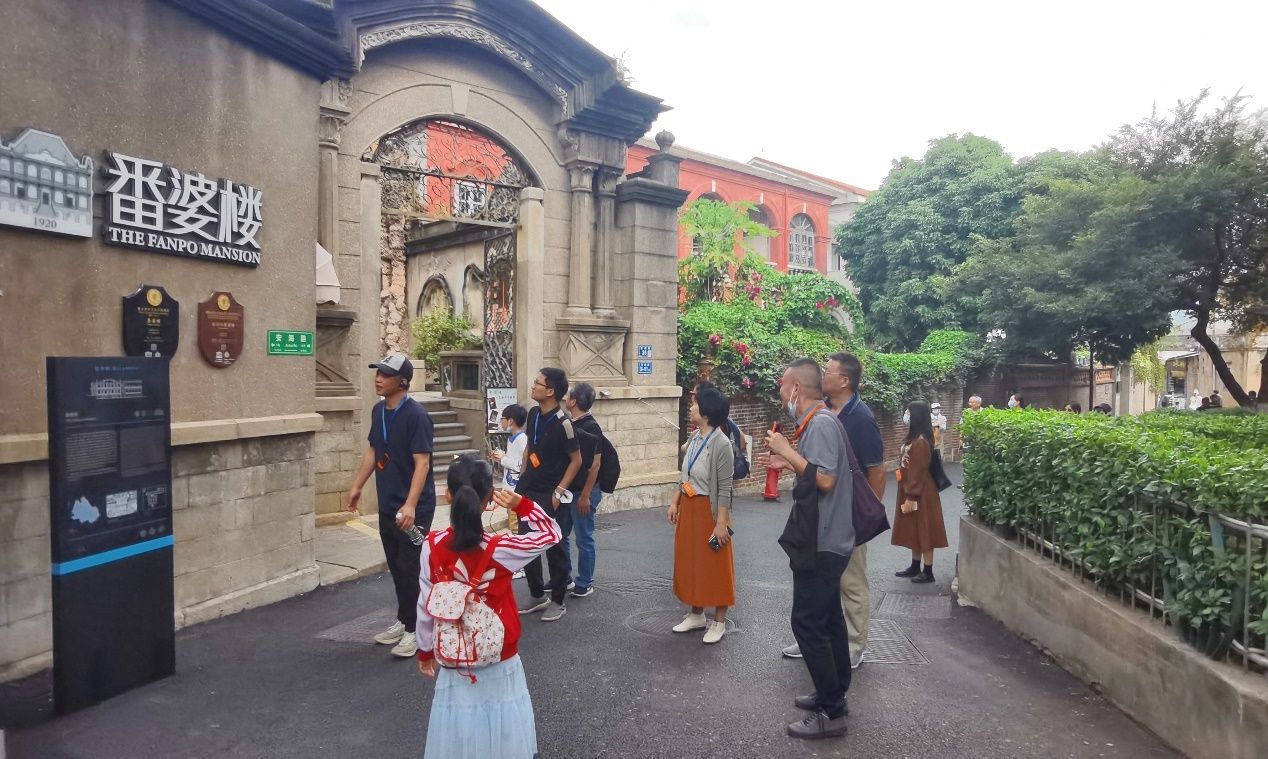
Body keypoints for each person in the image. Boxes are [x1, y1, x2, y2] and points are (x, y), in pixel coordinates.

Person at [415, 454, 562, 759]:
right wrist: (522, 505)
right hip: (498, 655)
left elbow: (425, 604)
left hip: (455, 655)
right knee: (503, 723)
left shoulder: (431, 545)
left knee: (460, 728)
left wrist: (425, 650)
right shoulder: (503, 548)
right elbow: (552, 534)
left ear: (448, 496)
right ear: (488, 500)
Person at [765, 358, 854, 740]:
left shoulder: (819, 423)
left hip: (823, 541)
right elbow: (816, 470)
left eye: (783, 386)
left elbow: (827, 480)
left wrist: (786, 451)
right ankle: (833, 694)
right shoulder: (822, 421)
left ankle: (831, 712)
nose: (780, 392)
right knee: (829, 619)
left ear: (796, 389)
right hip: (829, 539)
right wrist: (789, 463)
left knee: (806, 622)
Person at [781, 353, 884, 671]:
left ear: (845, 381)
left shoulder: (860, 418)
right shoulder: (823, 412)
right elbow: (816, 465)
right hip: (821, 519)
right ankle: (815, 640)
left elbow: (875, 471)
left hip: (846, 517)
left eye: (828, 372)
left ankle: (854, 644)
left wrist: (862, 518)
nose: (823, 375)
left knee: (851, 583)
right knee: (823, 584)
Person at [345, 355, 435, 658]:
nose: (378, 378)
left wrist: (410, 505)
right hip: (388, 503)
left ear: (403, 381)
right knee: (396, 566)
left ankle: (416, 630)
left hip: (414, 508)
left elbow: (422, 464)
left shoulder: (416, 416)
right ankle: (405, 619)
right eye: (378, 372)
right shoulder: (378, 411)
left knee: (410, 568)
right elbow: (374, 451)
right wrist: (357, 486)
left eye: (385, 374)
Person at [669, 385, 736, 644]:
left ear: (707, 411)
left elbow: (725, 489)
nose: (691, 406)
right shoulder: (695, 437)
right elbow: (685, 475)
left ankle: (718, 622)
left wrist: (721, 523)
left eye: (696, 403)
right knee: (691, 562)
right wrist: (675, 501)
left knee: (716, 566)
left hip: (711, 511)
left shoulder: (721, 444)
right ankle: (696, 614)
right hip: (690, 508)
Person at [515, 368, 582, 622]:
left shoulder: (564, 423)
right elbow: (529, 447)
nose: (533, 386)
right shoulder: (533, 414)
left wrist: (559, 491)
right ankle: (536, 595)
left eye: (538, 383)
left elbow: (576, 460)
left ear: (551, 391)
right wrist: (522, 477)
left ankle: (557, 600)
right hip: (528, 490)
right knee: (526, 544)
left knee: (555, 548)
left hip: (551, 494)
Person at [892, 401, 948, 584]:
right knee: (914, 527)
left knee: (925, 527)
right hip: (911, 488)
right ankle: (915, 565)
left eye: (908, 412)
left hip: (921, 491)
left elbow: (918, 471)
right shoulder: (915, 438)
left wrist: (911, 495)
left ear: (916, 415)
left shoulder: (921, 441)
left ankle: (928, 570)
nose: (906, 415)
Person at [560, 382, 603, 598]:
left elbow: (595, 465)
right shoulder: (570, 423)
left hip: (583, 491)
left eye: (568, 396)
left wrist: (585, 495)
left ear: (573, 401)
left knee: (584, 537)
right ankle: (564, 577)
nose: (565, 399)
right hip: (569, 491)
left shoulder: (591, 427)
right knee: (560, 534)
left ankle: (585, 581)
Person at [490, 403, 528, 536]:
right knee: (512, 521)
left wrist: (503, 459)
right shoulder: (512, 438)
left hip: (516, 490)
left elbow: (522, 464)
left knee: (515, 523)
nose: (501, 421)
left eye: (502, 418)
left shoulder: (522, 439)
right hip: (509, 488)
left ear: (510, 421)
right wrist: (501, 457)